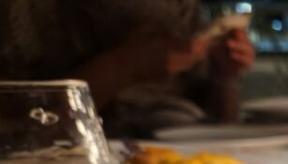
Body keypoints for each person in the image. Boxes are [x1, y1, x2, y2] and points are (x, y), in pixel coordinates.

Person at [0, 0, 256, 137]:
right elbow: (23, 124)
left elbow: (222, 125)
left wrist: (226, 76)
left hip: (186, 157)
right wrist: (126, 66)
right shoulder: (29, 13)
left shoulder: (185, 8)